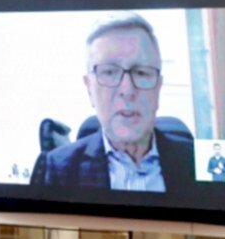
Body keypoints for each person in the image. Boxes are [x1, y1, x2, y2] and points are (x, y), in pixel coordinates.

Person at [30, 12, 195, 195]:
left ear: (158, 87)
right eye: (109, 72)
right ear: (89, 90)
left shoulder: (196, 161)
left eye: (141, 72)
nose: (127, 90)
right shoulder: (59, 169)